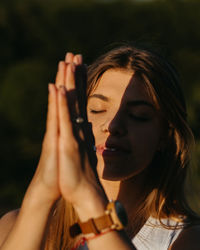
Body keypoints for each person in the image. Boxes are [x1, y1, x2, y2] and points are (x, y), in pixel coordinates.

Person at [0, 44, 200, 250]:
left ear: (166, 135)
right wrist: (42, 189)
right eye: (97, 110)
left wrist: (85, 194)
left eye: (138, 116)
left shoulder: (186, 239)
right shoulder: (15, 226)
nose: (112, 126)